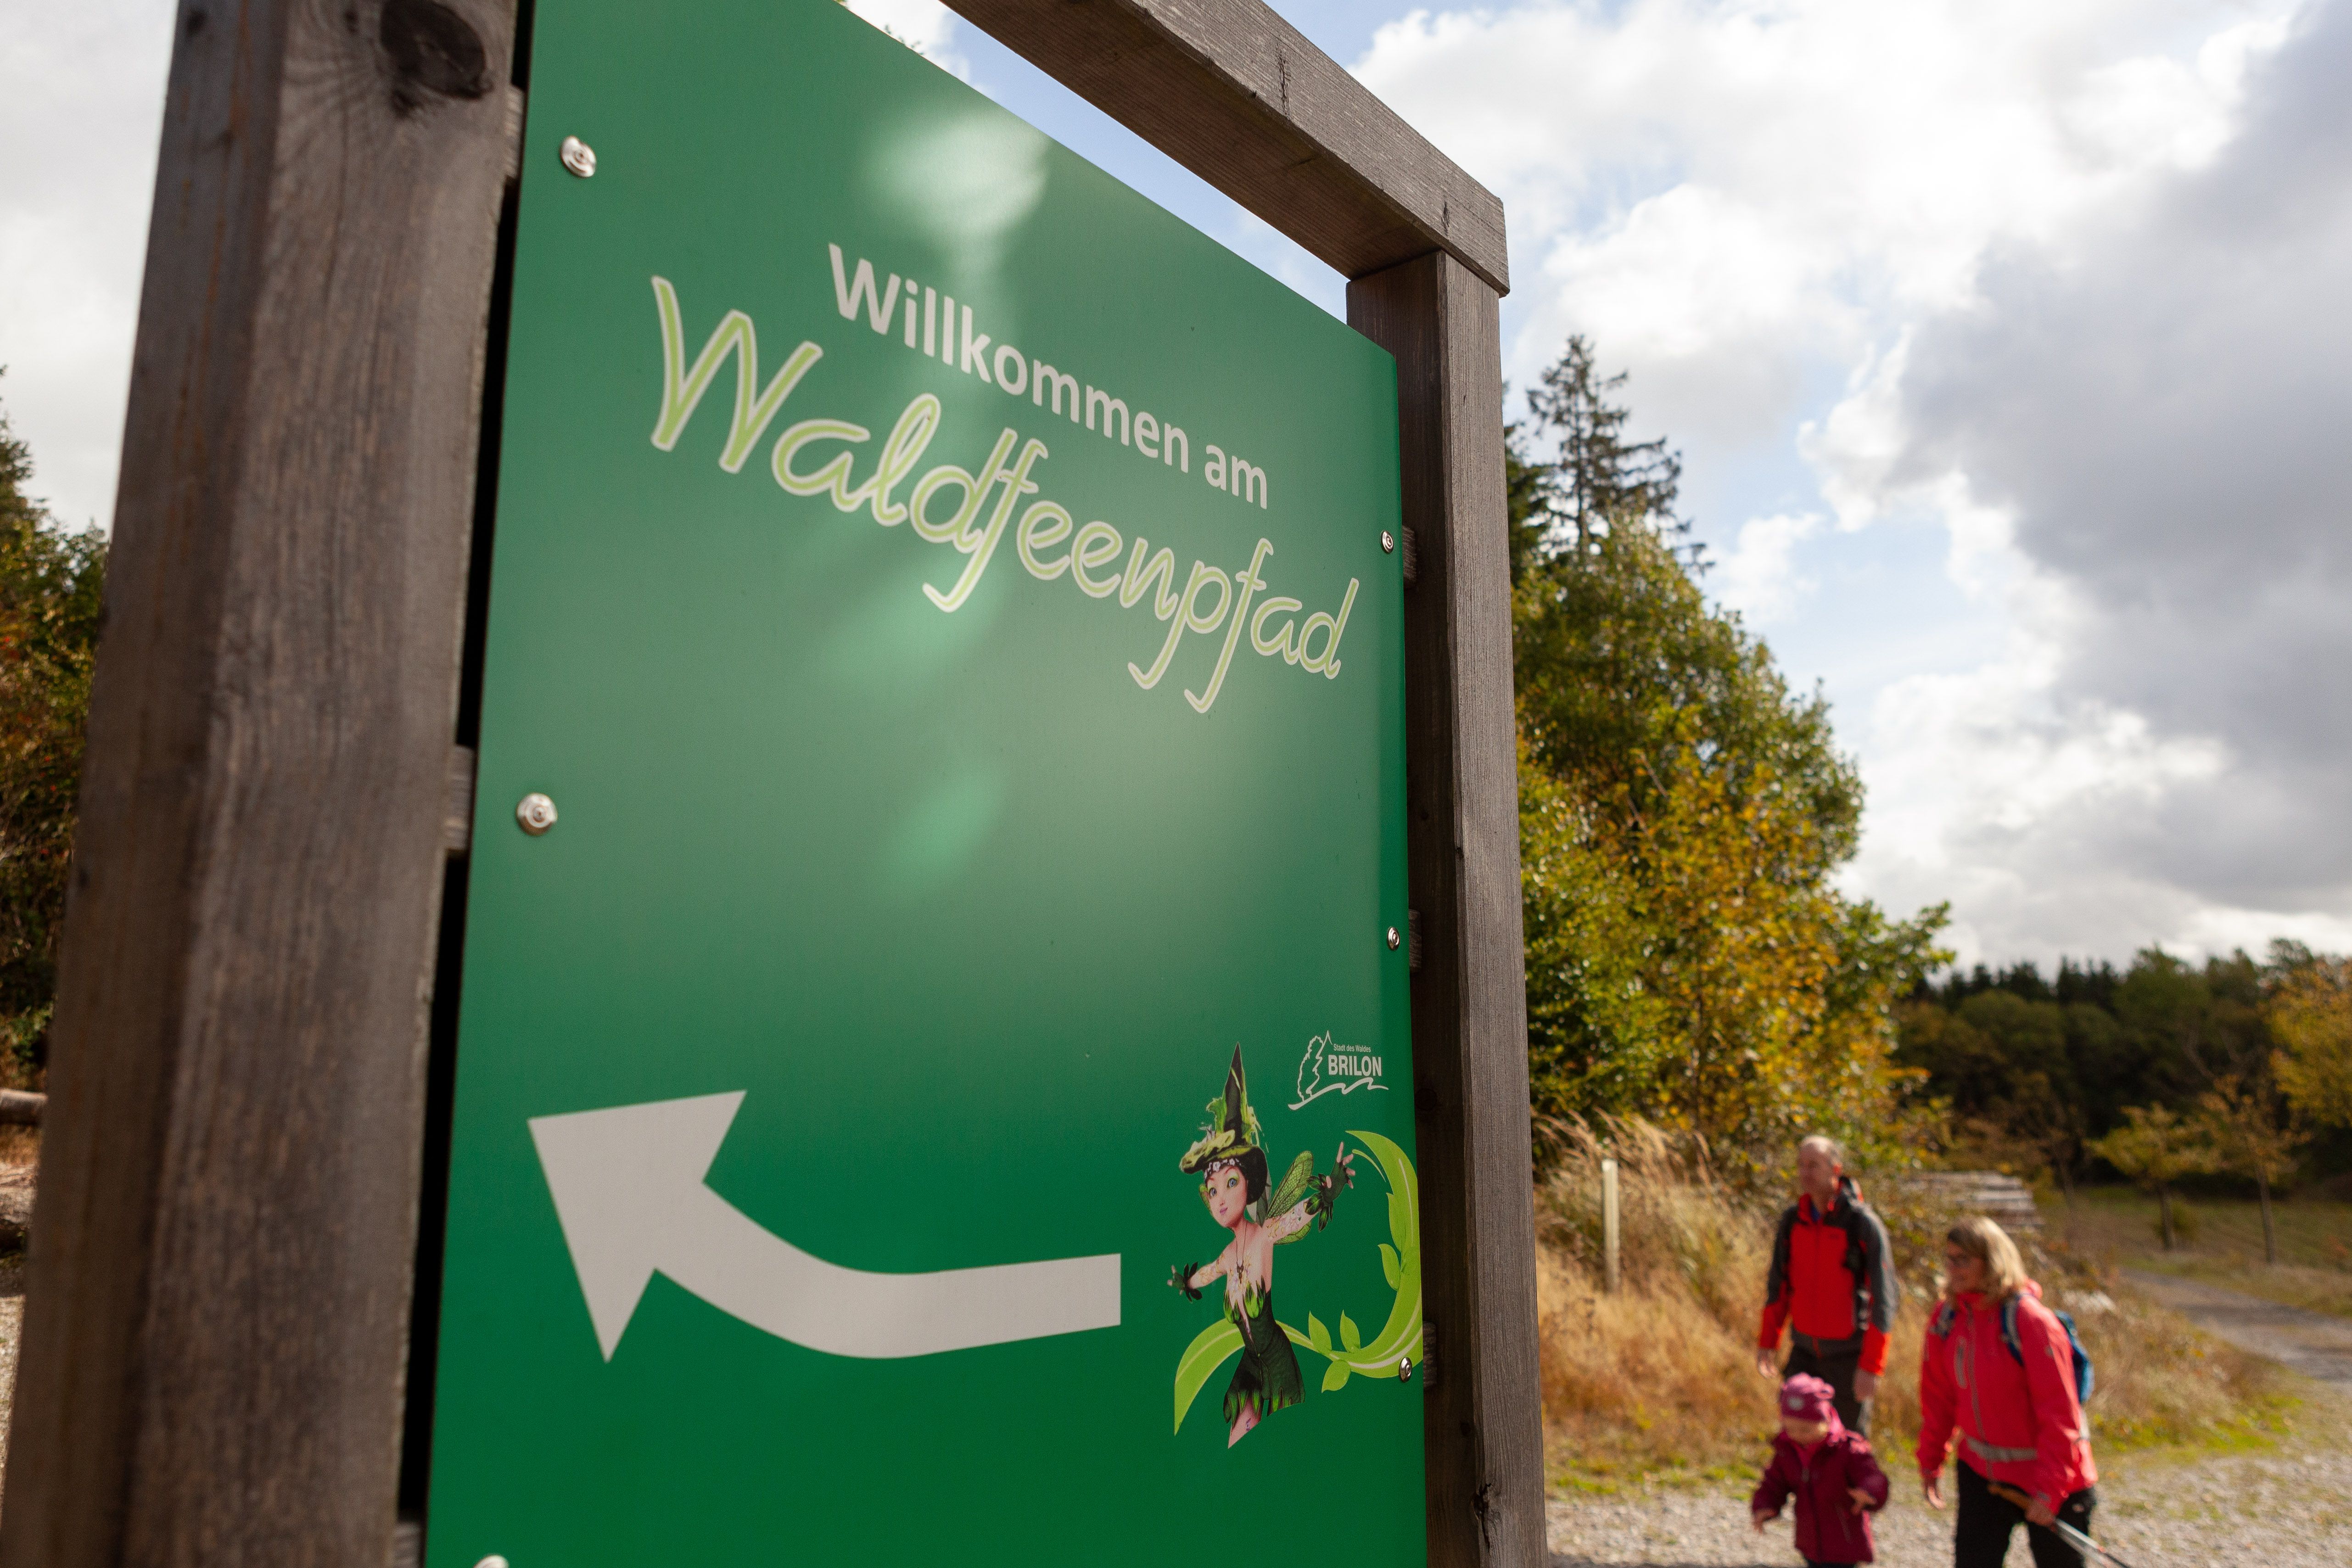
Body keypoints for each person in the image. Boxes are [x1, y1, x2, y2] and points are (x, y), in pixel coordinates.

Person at [1168, 1046, 1354, 1446]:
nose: (1220, 1198)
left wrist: (1329, 1193)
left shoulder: (1265, 1233)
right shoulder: (1226, 1256)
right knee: (1236, 1438)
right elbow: (1207, 1274)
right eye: (1213, 1189)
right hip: (1252, 1364)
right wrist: (1189, 1284)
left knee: (1289, 1443)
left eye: (1231, 1184)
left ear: (1249, 1184)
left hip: (1278, 1363)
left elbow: (1298, 1215)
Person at [1916, 1215, 2099, 1568]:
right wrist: (1931, 1460)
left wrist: (2049, 1490)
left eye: (1963, 1260)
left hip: (2054, 1478)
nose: (1952, 1269)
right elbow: (1939, 1398)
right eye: (1949, 1259)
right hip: (1983, 1475)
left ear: (1993, 1261)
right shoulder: (1947, 1317)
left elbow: (2060, 1413)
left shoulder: (2031, 1322)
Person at [1755, 1134, 1897, 1434]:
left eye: (1814, 1166)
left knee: (1849, 1446)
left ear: (1836, 1170)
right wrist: (1768, 1341)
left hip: (1849, 1356)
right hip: (1804, 1352)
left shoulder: (1862, 1224)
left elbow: (1883, 1301)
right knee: (1794, 1438)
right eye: (1801, 1165)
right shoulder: (1792, 1221)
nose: (1805, 1173)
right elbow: (1778, 1286)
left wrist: (1871, 1367)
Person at [1750, 1372, 1889, 1566]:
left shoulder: (1847, 1450)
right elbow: (1774, 1483)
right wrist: (1765, 1506)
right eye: (1790, 1429)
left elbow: (1872, 1476)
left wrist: (1869, 1492)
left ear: (1826, 1420)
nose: (1798, 1436)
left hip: (1845, 1543)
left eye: (1806, 1430)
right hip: (1810, 1541)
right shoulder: (1788, 1451)